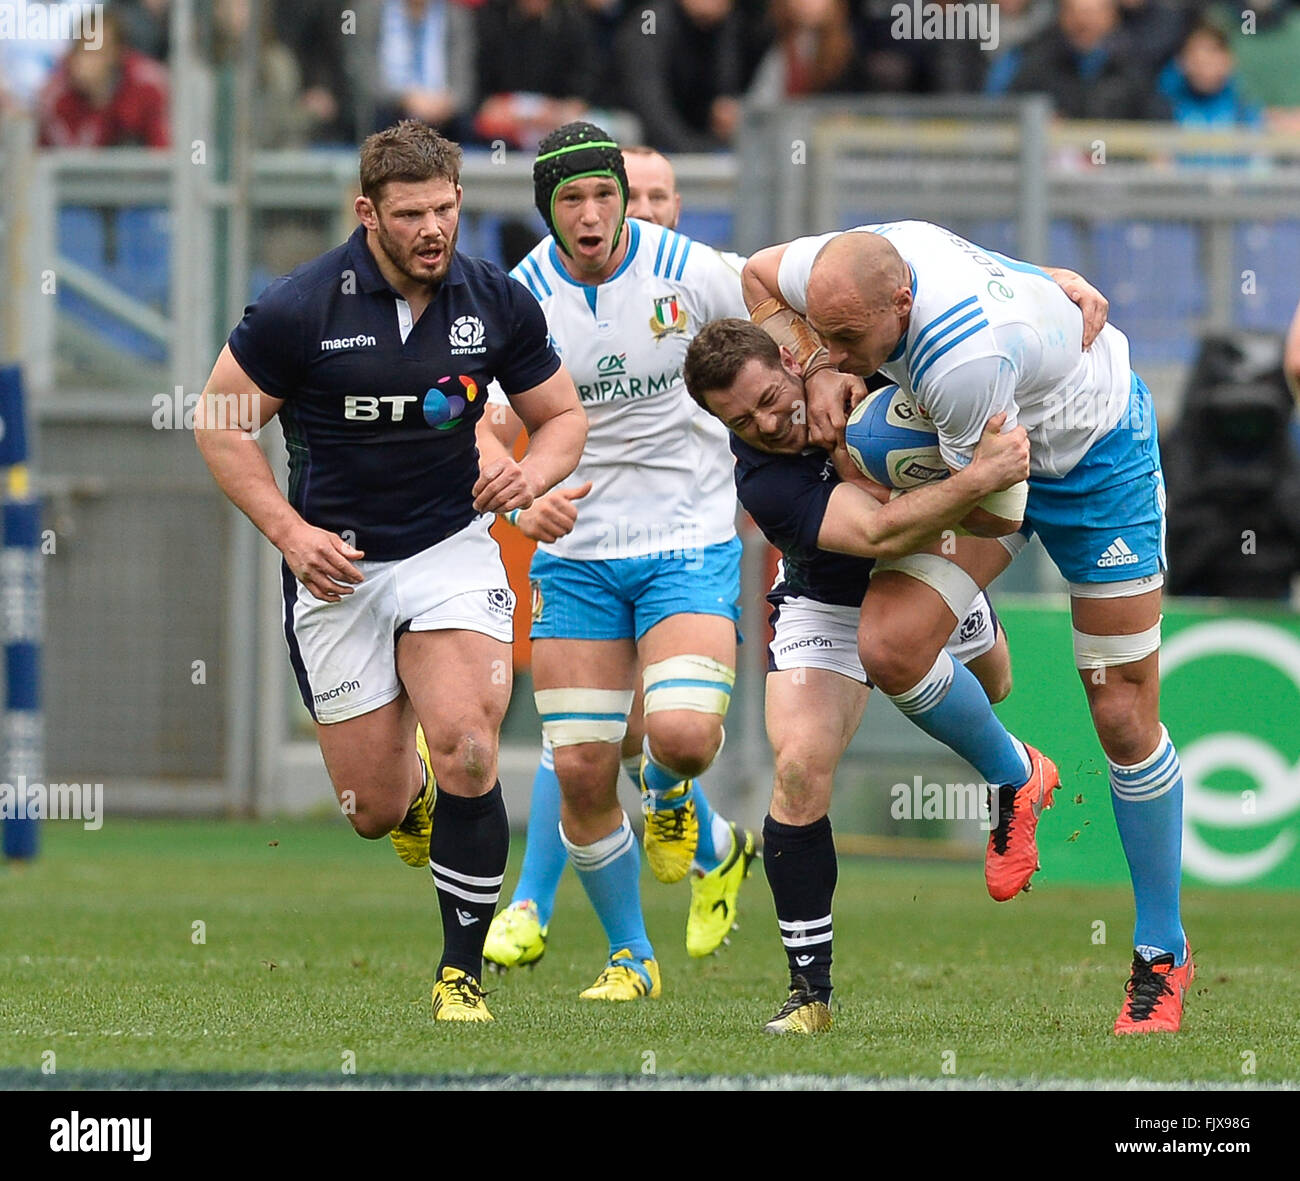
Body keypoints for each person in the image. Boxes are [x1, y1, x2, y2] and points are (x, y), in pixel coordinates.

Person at [747, 218, 1194, 1033]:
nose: (846, 354)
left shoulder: (962, 361)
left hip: (1090, 452)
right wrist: (815, 365)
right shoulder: (842, 271)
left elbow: (994, 504)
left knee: (1123, 712)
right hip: (987, 444)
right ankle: (1016, 772)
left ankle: (1160, 953)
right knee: (890, 645)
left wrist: (867, 464)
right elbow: (756, 276)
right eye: (830, 332)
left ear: (902, 300)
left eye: (852, 339)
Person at [192, 121, 586, 1023]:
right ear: (368, 212)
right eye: (411, 214)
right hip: (339, 567)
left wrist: (531, 472)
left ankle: (460, 975)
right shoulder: (301, 307)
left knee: (472, 745)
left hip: (451, 548)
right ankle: (406, 795)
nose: (433, 228)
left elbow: (561, 417)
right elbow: (219, 423)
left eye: (446, 208)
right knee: (371, 807)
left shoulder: (493, 298)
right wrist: (293, 535)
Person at [684, 318, 1029, 1032]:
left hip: (935, 555)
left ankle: (972, 640)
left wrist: (1058, 281)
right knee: (799, 770)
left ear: (790, 358)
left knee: (997, 686)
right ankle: (810, 995)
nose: (768, 423)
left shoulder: (866, 360)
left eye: (771, 398)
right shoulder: (765, 480)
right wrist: (975, 476)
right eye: (741, 420)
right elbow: (876, 530)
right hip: (834, 595)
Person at [475, 125, 754, 1000]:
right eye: (570, 200)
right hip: (578, 551)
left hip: (687, 536)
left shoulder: (696, 270)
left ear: (626, 200)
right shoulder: (517, 299)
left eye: (605, 195)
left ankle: (674, 794)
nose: (590, 215)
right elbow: (481, 430)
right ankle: (633, 956)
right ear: (546, 211)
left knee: (678, 734)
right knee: (584, 767)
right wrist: (521, 501)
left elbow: (782, 335)